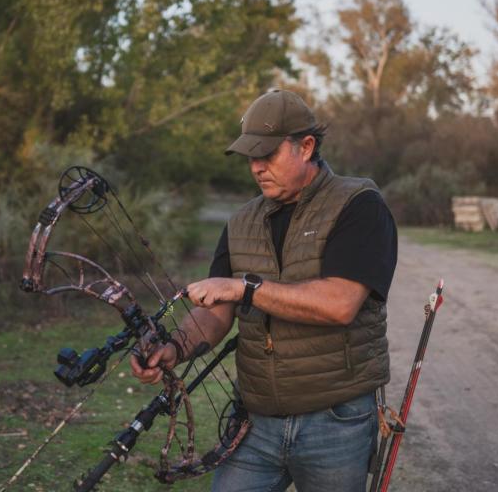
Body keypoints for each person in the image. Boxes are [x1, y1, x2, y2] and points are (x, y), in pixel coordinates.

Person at [131, 89, 398, 492]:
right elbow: (216, 311)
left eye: (267, 155)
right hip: (254, 421)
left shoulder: (357, 203)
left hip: (336, 422)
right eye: (250, 157)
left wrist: (244, 288)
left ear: (306, 146)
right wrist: (174, 348)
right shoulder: (241, 222)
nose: (257, 167)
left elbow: (340, 303)